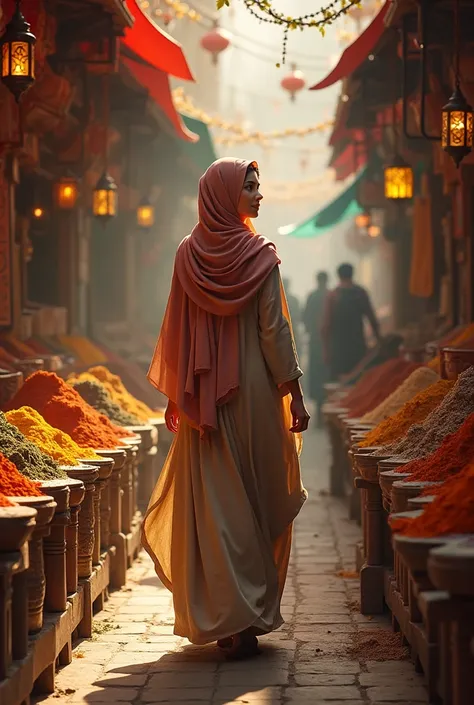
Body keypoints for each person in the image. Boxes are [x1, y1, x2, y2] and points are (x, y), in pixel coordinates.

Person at [143, 158, 309, 660]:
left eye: (258, 186)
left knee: (218, 508)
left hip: (203, 401)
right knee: (252, 503)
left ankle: (228, 615)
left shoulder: (186, 256)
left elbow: (176, 328)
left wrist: (178, 395)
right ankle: (244, 615)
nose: (259, 195)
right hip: (254, 395)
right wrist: (295, 393)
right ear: (223, 194)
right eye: (249, 187)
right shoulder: (261, 256)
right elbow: (273, 331)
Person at [322, 262, 380, 381]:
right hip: (357, 345)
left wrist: (326, 350)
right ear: (352, 274)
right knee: (358, 381)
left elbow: (326, 326)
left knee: (339, 383)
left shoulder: (333, 295)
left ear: (338, 275)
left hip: (338, 347)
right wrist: (379, 339)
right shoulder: (360, 293)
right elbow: (372, 318)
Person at [302, 271, 329, 425]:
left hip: (315, 342)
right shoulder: (331, 295)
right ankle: (327, 412)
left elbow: (305, 319)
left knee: (317, 375)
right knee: (328, 375)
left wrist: (312, 331)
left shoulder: (312, 297)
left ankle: (319, 412)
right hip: (330, 344)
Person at [282, 277, 302, 354]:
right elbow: (298, 316)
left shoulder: (275, 298)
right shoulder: (294, 299)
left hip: (280, 330)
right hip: (292, 328)